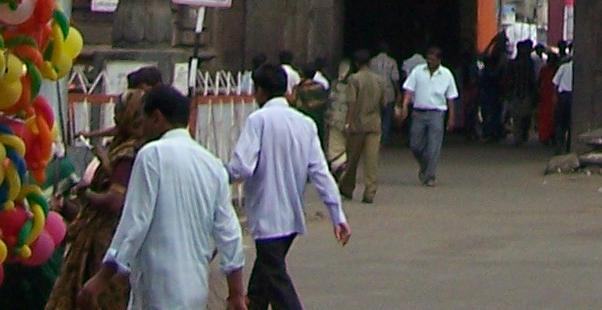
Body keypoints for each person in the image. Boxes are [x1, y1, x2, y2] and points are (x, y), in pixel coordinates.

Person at [84, 85, 245, 310]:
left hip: (158, 289)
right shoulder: (212, 164)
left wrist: (101, 278)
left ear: (157, 118)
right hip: (195, 289)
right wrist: (236, 293)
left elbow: (135, 223)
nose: (140, 131)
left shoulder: (151, 155)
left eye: (143, 122)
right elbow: (229, 233)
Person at [226, 64, 347, 310]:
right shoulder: (304, 124)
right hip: (291, 216)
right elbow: (320, 173)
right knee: (264, 279)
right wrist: (337, 214)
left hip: (266, 215)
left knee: (276, 280)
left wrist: (218, 175)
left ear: (259, 91)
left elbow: (242, 167)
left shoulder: (258, 121)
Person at [46, 86, 145, 310]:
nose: (115, 117)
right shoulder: (130, 146)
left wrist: (86, 193)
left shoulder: (127, 154)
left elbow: (114, 200)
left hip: (105, 241)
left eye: (118, 112)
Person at [327, 54, 386, 205]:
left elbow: (351, 102)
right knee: (371, 160)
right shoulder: (380, 79)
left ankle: (347, 188)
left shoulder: (354, 79)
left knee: (352, 159)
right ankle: (370, 192)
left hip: (358, 125)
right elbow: (384, 103)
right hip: (374, 123)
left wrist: (348, 122)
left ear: (357, 63)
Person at [398, 47, 457, 186]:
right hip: (419, 112)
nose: (429, 60)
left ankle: (430, 176)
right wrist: (405, 106)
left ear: (439, 59)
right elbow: (409, 90)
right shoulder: (418, 71)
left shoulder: (446, 74)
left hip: (437, 113)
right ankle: (426, 166)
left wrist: (451, 117)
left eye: (433, 58)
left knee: (434, 147)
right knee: (415, 144)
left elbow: (451, 98)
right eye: (428, 58)